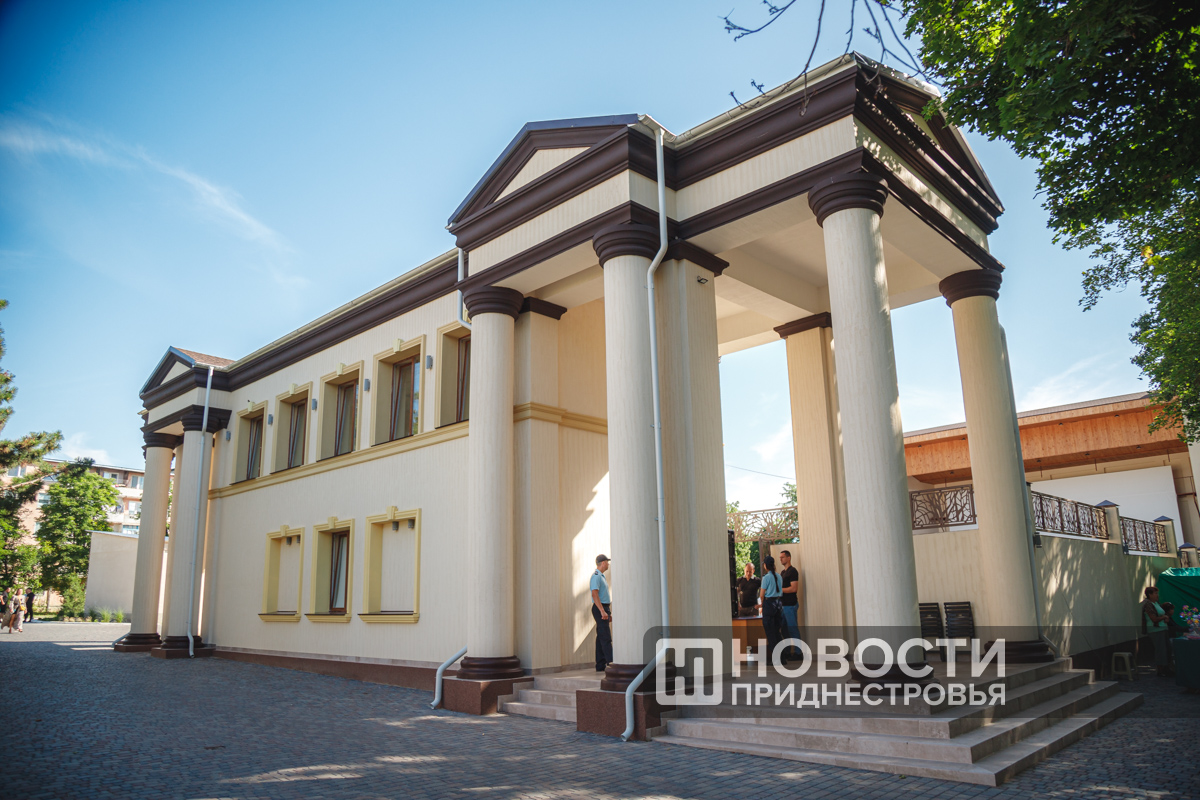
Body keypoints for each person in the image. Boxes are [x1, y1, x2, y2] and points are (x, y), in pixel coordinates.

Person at [759, 556, 786, 666]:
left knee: (770, 633)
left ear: (765, 565)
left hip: (769, 605)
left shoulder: (766, 578)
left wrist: (761, 604)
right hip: (778, 604)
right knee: (777, 632)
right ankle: (782, 658)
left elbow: (762, 595)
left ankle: (776, 659)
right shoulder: (779, 576)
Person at [1142, 586, 1173, 676]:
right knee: (1160, 650)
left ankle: (1167, 667)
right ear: (1150, 594)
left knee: (1167, 649)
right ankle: (1161, 670)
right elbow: (1154, 619)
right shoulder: (1148, 604)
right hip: (1155, 630)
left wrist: (1166, 617)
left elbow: (1161, 614)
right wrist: (1163, 617)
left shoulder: (1156, 603)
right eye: (1155, 593)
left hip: (1163, 628)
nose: (1157, 595)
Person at [590, 554, 613, 672]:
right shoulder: (596, 576)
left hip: (603, 608)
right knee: (605, 636)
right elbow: (595, 594)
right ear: (603, 563)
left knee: (600, 637)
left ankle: (600, 665)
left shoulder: (601, 576)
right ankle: (612, 664)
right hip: (600, 608)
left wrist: (607, 612)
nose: (608, 564)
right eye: (607, 562)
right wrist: (602, 611)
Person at [779, 550, 801, 658]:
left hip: (790, 605)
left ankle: (798, 653)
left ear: (788, 558)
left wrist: (780, 590)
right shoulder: (782, 573)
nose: (780, 559)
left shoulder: (793, 571)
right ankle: (787, 651)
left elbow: (794, 588)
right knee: (784, 630)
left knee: (792, 629)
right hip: (783, 605)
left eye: (782, 557)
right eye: (780, 557)